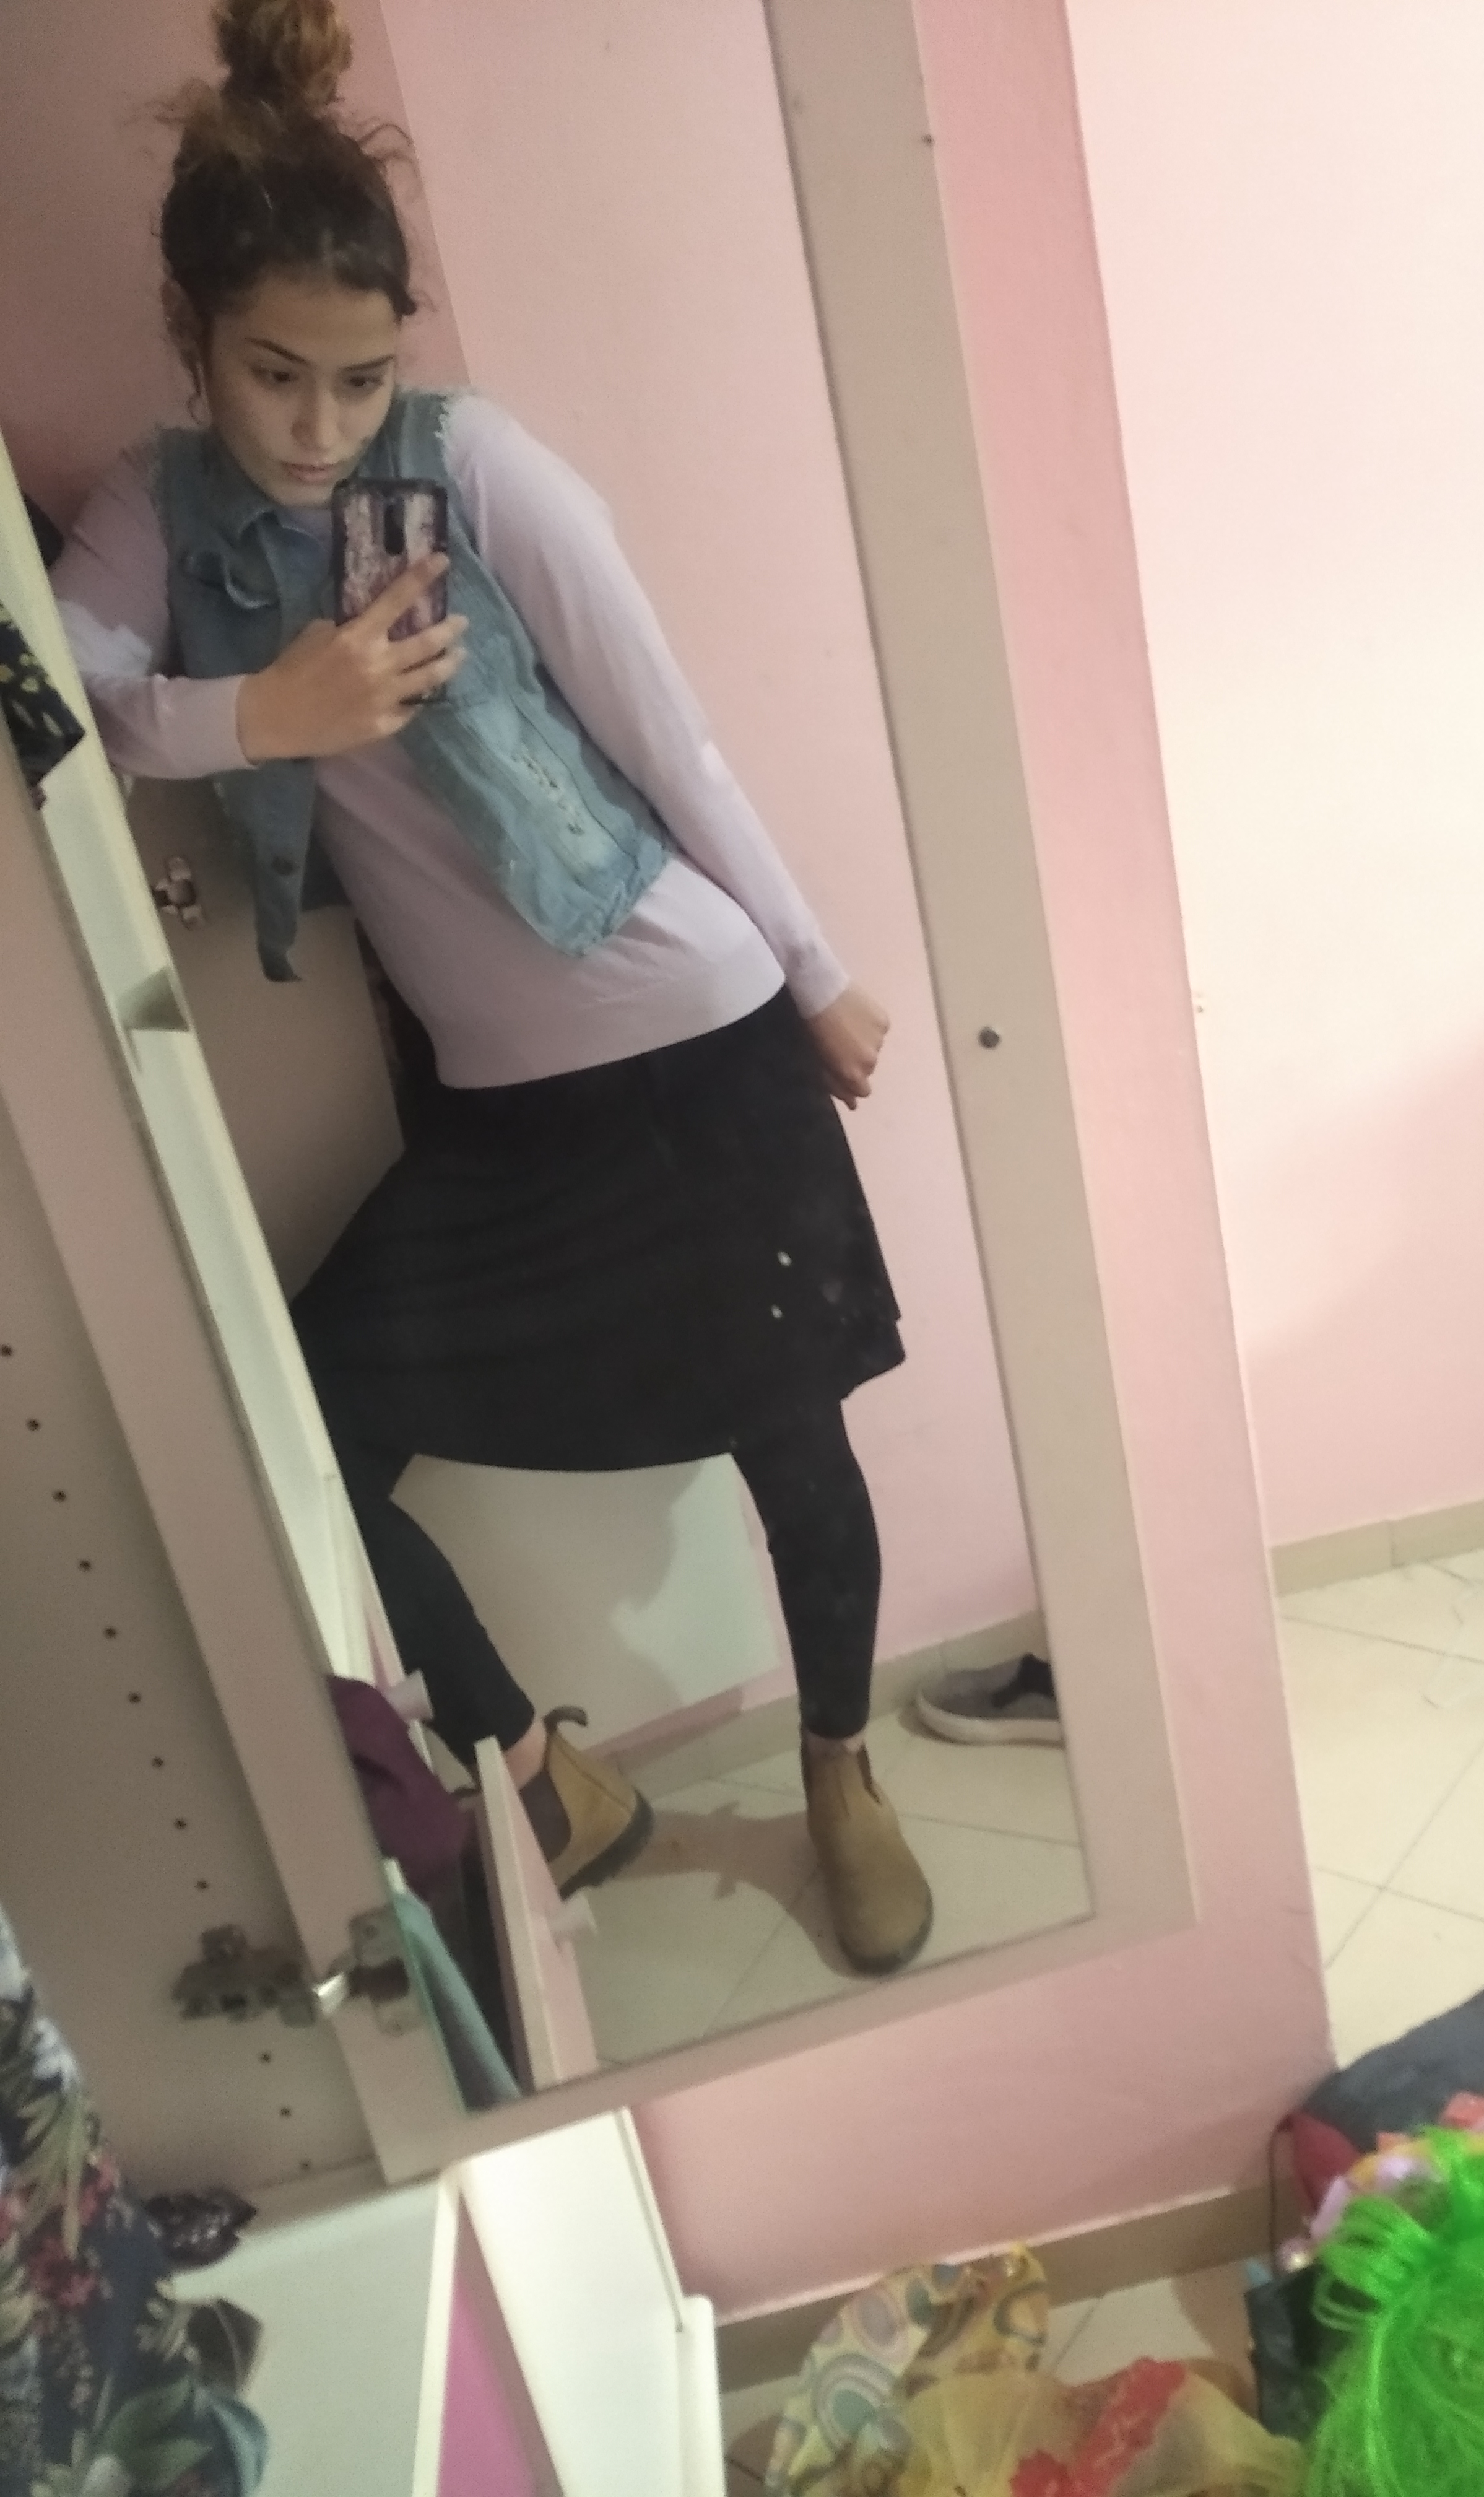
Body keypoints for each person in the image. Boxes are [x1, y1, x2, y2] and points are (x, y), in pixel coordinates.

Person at [51, 0, 932, 1977]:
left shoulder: (483, 467)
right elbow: (72, 700)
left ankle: (843, 1771)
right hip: (499, 1113)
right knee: (306, 1432)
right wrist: (258, 713)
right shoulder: (152, 513)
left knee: (793, 1440)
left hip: (696, 1043)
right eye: (274, 373)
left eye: (360, 379)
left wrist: (814, 972)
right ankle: (545, 1771)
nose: (319, 427)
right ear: (195, 336)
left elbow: (674, 742)